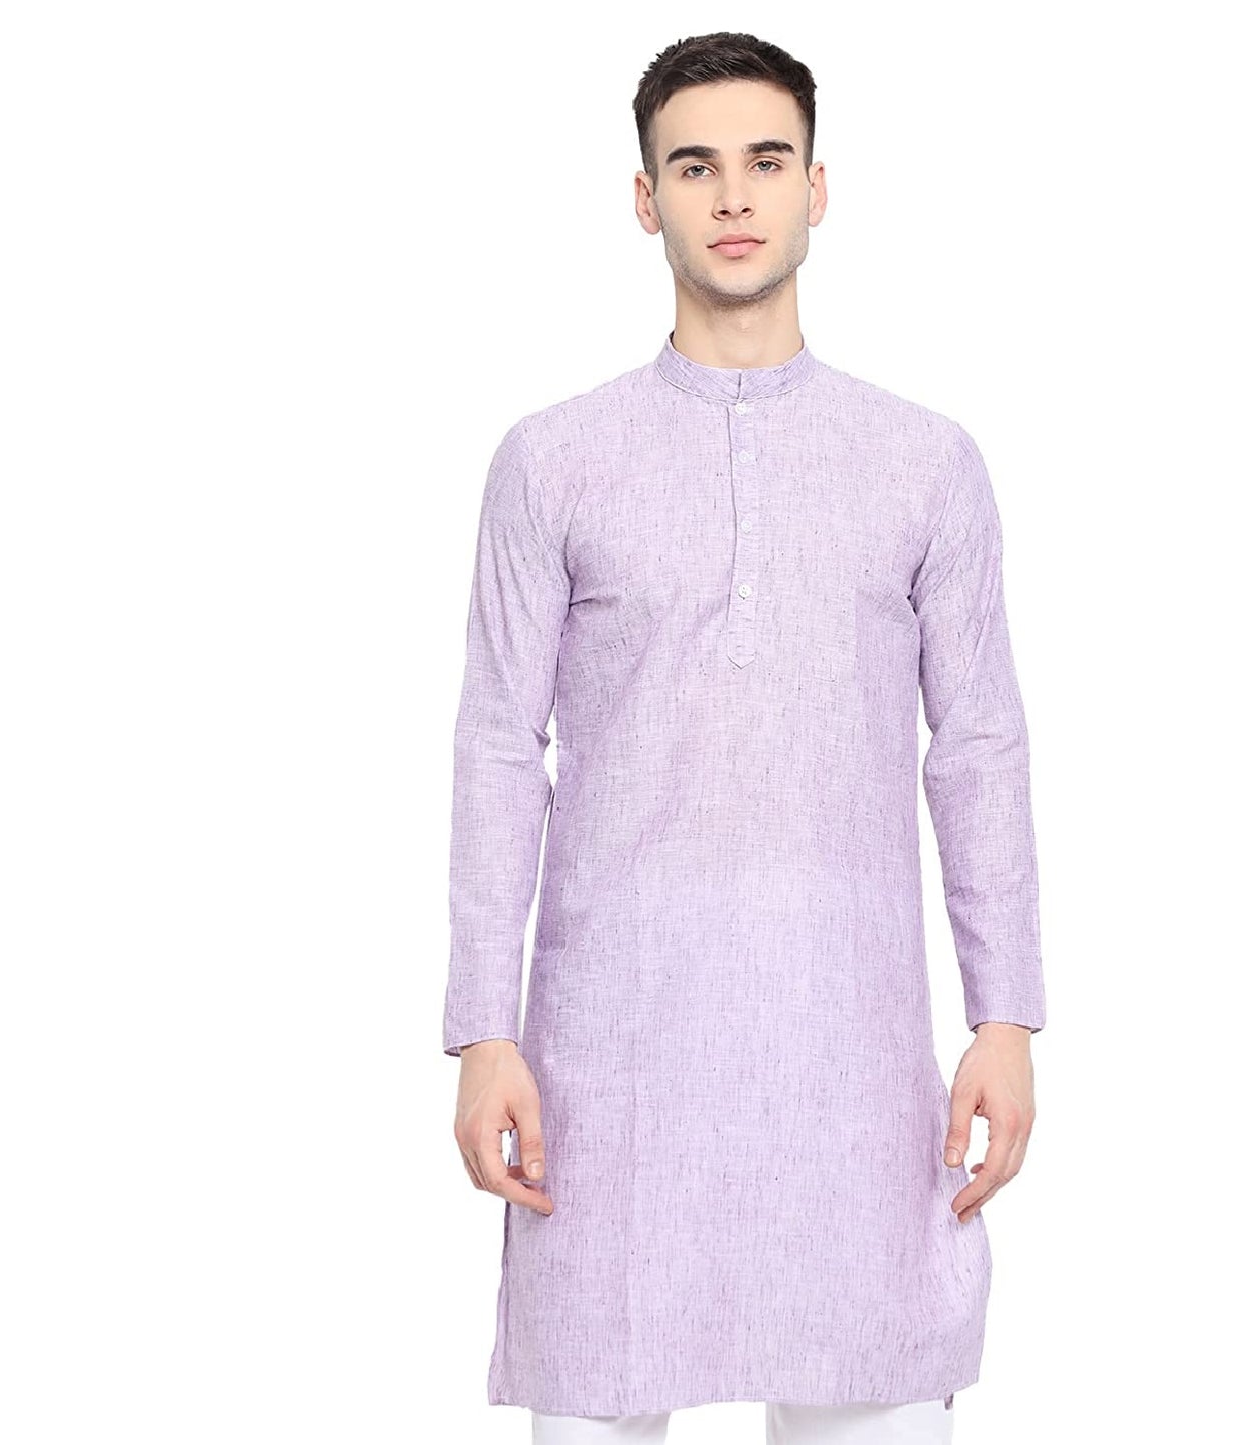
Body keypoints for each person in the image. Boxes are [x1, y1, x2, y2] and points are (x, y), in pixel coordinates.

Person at [446, 31, 1045, 1445]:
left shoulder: (924, 462)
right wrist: (483, 1029)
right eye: (694, 165)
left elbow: (977, 746)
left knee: (874, 1370)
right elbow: (497, 749)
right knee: (593, 1382)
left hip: (854, 1060)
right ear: (644, 198)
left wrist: (1005, 1016)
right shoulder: (552, 460)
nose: (732, 195)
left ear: (816, 190)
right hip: (608, 1064)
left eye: (765, 162)